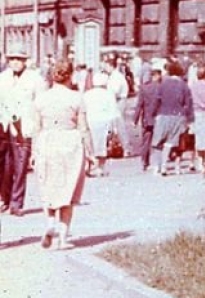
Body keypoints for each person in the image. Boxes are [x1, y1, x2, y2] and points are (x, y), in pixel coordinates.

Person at [32, 59, 93, 249]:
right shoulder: (76, 98)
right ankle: (63, 239)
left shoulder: (41, 99)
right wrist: (91, 153)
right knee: (68, 188)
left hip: (47, 141)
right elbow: (83, 128)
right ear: (70, 75)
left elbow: (36, 128)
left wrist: (34, 152)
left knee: (49, 185)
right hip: (70, 142)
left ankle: (50, 222)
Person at [0, 48, 46, 214]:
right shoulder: (3, 78)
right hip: (4, 125)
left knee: (20, 165)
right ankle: (4, 198)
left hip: (24, 126)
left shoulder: (35, 79)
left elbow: (40, 104)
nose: (15, 63)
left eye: (19, 59)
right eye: (12, 59)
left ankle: (16, 203)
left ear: (25, 61)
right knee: (5, 166)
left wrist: (38, 126)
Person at [151, 59, 194, 175]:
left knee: (159, 142)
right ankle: (175, 167)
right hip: (178, 116)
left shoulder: (162, 84)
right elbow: (188, 104)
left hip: (163, 114)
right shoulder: (184, 85)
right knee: (175, 142)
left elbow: (156, 101)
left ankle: (158, 166)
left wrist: (153, 113)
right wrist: (189, 118)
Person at [83, 71, 119, 175]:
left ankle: (90, 166)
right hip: (104, 121)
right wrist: (115, 128)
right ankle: (100, 167)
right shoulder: (108, 94)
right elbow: (113, 111)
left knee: (90, 144)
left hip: (90, 120)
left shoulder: (87, 94)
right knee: (102, 145)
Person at [133, 67, 163, 171]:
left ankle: (144, 162)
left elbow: (139, 105)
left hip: (147, 118)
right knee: (160, 140)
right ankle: (159, 163)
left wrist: (135, 119)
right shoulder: (161, 87)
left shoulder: (143, 88)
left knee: (146, 141)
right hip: (159, 117)